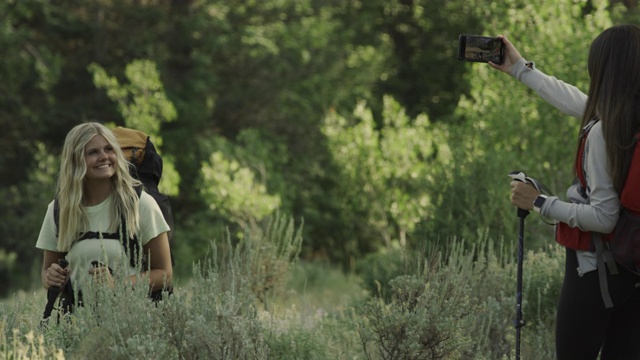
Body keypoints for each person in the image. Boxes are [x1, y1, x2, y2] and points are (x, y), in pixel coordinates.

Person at [489, 25, 640, 359]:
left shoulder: (603, 131)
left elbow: (603, 216)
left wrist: (540, 201)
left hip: (596, 271)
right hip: (633, 267)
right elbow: (578, 102)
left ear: (603, 69)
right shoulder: (628, 119)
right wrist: (520, 69)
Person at [36, 122, 172, 309]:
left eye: (109, 149)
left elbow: (165, 273)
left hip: (132, 324)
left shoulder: (139, 204)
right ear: (75, 160)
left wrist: (118, 284)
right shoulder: (59, 209)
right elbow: (47, 272)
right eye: (93, 152)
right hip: (77, 324)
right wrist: (51, 278)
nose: (104, 157)